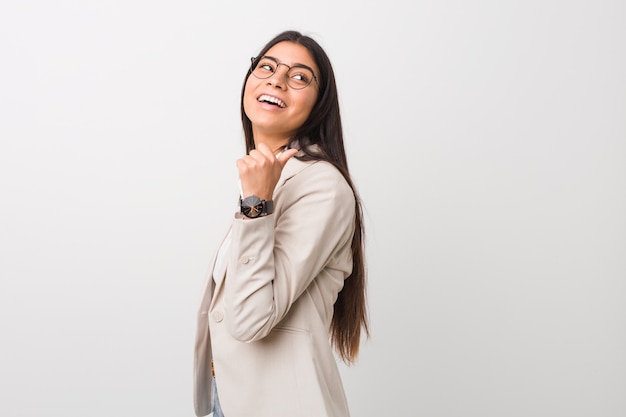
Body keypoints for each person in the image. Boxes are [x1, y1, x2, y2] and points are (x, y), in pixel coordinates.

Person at [193, 30, 368, 417]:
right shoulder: (278, 179)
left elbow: (251, 320)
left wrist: (256, 204)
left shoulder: (322, 185)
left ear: (320, 104)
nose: (276, 79)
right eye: (267, 67)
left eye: (300, 76)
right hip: (233, 402)